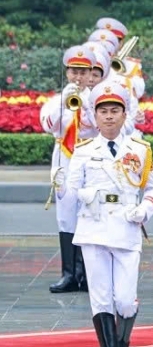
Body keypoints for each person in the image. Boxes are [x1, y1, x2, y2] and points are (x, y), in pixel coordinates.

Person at [58, 81, 153, 347]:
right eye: (103, 111)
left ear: (124, 113)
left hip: (127, 228)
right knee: (101, 298)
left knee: (126, 300)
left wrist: (145, 209)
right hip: (94, 227)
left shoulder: (140, 150)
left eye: (114, 110)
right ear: (94, 115)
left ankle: (123, 341)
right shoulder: (84, 150)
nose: (108, 117)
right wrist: (64, 185)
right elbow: (70, 193)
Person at [40, 46, 99, 293]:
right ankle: (68, 274)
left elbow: (100, 126)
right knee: (66, 216)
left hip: (89, 160)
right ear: (67, 72)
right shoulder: (56, 101)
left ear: (90, 74)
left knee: (88, 214)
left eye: (83, 72)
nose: (78, 77)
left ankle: (86, 274)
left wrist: (85, 104)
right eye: (74, 71)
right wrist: (64, 103)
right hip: (65, 159)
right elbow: (49, 126)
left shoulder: (96, 98)